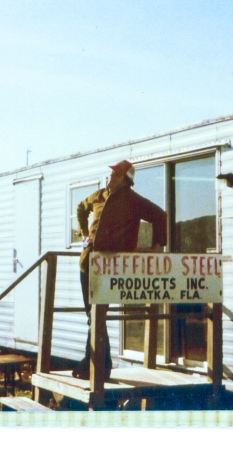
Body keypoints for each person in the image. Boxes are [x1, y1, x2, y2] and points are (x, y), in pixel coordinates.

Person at [74, 161, 168, 379]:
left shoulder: (132, 200)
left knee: (98, 314)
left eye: (115, 175)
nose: (110, 178)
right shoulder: (99, 195)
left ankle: (98, 366)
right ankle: (95, 363)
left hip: (111, 265)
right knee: (92, 315)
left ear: (126, 180)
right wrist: (83, 233)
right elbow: (81, 208)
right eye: (109, 174)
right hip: (87, 263)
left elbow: (159, 216)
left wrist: (156, 245)